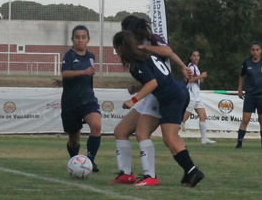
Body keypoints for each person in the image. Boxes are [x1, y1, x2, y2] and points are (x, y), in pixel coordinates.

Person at [114, 30, 204, 187]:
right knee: (170, 137)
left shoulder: (137, 63)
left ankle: (154, 176)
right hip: (175, 91)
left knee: (168, 137)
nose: (117, 53)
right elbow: (155, 77)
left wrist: (133, 100)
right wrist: (136, 88)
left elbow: (153, 83)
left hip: (171, 97)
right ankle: (191, 172)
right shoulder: (145, 54)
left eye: (116, 49)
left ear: (122, 48)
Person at [57, 25, 103, 171]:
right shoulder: (69, 55)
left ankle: (90, 160)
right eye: (77, 37)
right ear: (72, 39)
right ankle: (74, 161)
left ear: (88, 39)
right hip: (71, 102)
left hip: (88, 99)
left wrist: (80, 75)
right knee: (74, 139)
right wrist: (82, 73)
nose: (80, 40)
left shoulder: (91, 56)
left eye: (83, 37)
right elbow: (65, 73)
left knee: (96, 126)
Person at [183, 50, 215, 144]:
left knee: (203, 116)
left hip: (197, 95)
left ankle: (204, 138)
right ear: (190, 57)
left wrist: (200, 79)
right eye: (194, 56)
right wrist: (201, 76)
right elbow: (191, 79)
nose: (196, 57)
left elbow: (196, 80)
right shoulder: (190, 67)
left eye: (197, 56)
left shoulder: (196, 67)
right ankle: (172, 134)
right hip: (191, 95)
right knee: (184, 117)